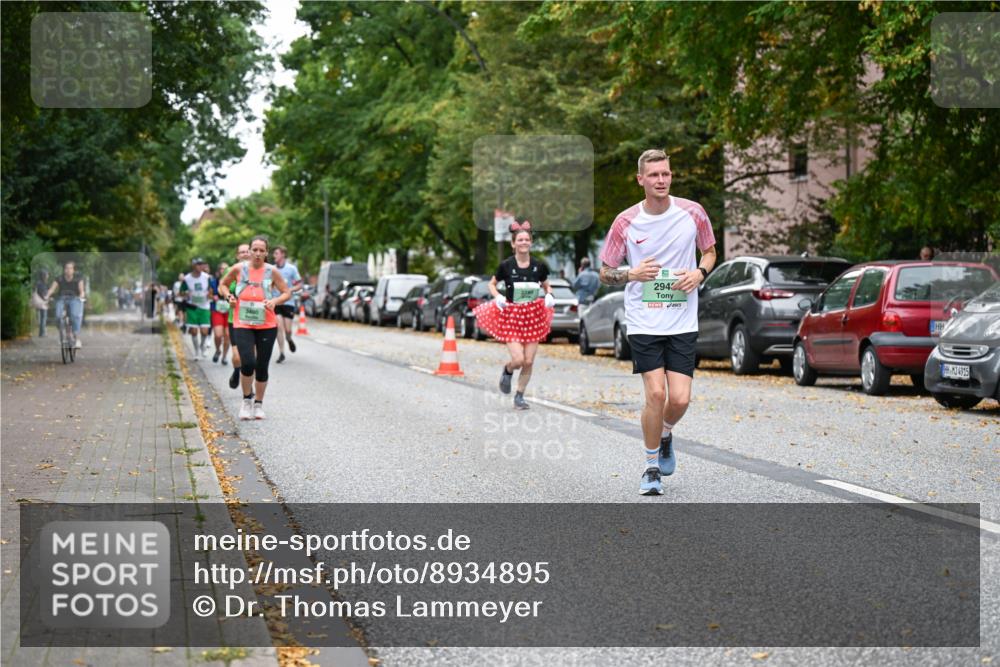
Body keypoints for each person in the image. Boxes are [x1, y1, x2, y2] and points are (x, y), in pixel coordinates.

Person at [598, 149, 717, 495]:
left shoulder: (693, 213)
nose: (661, 180)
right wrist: (631, 273)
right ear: (641, 180)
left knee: (679, 400)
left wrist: (699, 272)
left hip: (681, 319)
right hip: (643, 320)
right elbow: (605, 272)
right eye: (653, 175)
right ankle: (651, 468)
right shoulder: (625, 222)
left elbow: (709, 250)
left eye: (665, 174)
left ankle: (665, 434)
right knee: (656, 392)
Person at [473, 221, 555, 410]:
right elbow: (492, 284)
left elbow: (546, 284)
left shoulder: (538, 266)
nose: (523, 242)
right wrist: (498, 296)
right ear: (513, 243)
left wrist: (549, 294)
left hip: (533, 315)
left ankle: (519, 395)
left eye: (527, 239)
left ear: (531, 243)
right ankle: (508, 370)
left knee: (529, 361)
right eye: (520, 239)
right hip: (512, 315)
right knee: (518, 360)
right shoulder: (506, 266)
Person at [218, 236, 292, 420]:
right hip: (242, 322)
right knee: (248, 362)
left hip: (266, 324)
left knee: (262, 366)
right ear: (249, 251)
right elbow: (223, 285)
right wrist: (229, 297)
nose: (258, 253)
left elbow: (286, 292)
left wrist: (274, 301)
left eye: (261, 250)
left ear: (266, 252)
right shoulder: (238, 269)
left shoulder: (272, 271)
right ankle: (246, 401)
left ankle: (258, 404)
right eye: (255, 249)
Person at [271, 245, 303, 364]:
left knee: (288, 330)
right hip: (276, 301)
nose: (274, 256)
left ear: (283, 255)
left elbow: (299, 284)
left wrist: (291, 290)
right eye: (274, 254)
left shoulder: (291, 269)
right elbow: (268, 283)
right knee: (279, 326)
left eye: (276, 253)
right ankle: (281, 352)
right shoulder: (272, 269)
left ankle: (289, 339)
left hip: (289, 301)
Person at [226, 244, 251, 389]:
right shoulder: (232, 271)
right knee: (237, 356)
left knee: (250, 359)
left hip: (253, 320)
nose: (245, 254)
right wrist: (229, 297)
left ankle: (249, 392)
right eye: (241, 252)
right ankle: (236, 371)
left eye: (247, 251)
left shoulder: (259, 270)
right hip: (234, 319)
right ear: (237, 255)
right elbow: (222, 288)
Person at [45, 261, 85, 348]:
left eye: (70, 268)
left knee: (75, 316)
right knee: (58, 316)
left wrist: (81, 296)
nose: (68, 270)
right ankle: (63, 334)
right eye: (66, 268)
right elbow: (52, 289)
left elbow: (81, 290)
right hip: (61, 299)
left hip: (74, 299)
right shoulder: (59, 278)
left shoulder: (78, 278)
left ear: (73, 270)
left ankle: (76, 338)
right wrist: (47, 296)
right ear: (64, 270)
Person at [179, 258, 212, 359]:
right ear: (193, 266)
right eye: (198, 264)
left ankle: (202, 346)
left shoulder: (207, 277)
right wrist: (185, 293)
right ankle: (196, 351)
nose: (201, 266)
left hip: (205, 306)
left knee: (204, 331)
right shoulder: (187, 278)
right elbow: (180, 292)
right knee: (193, 331)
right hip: (192, 307)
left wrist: (210, 294)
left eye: (202, 264)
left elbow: (212, 290)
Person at [210, 262, 231, 363]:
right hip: (217, 310)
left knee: (227, 335)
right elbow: (209, 294)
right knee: (218, 335)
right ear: (219, 270)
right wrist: (212, 296)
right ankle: (218, 350)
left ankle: (224, 356)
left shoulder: (232, 282)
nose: (224, 271)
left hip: (229, 310)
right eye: (222, 269)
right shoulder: (214, 282)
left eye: (226, 269)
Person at [33, 269, 50, 337]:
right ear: (44, 276)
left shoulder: (39, 283)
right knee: (43, 318)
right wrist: (47, 298)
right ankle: (42, 333)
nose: (48, 276)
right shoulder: (42, 284)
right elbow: (43, 294)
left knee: (42, 317)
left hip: (39, 302)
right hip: (42, 302)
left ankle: (41, 333)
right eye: (47, 275)